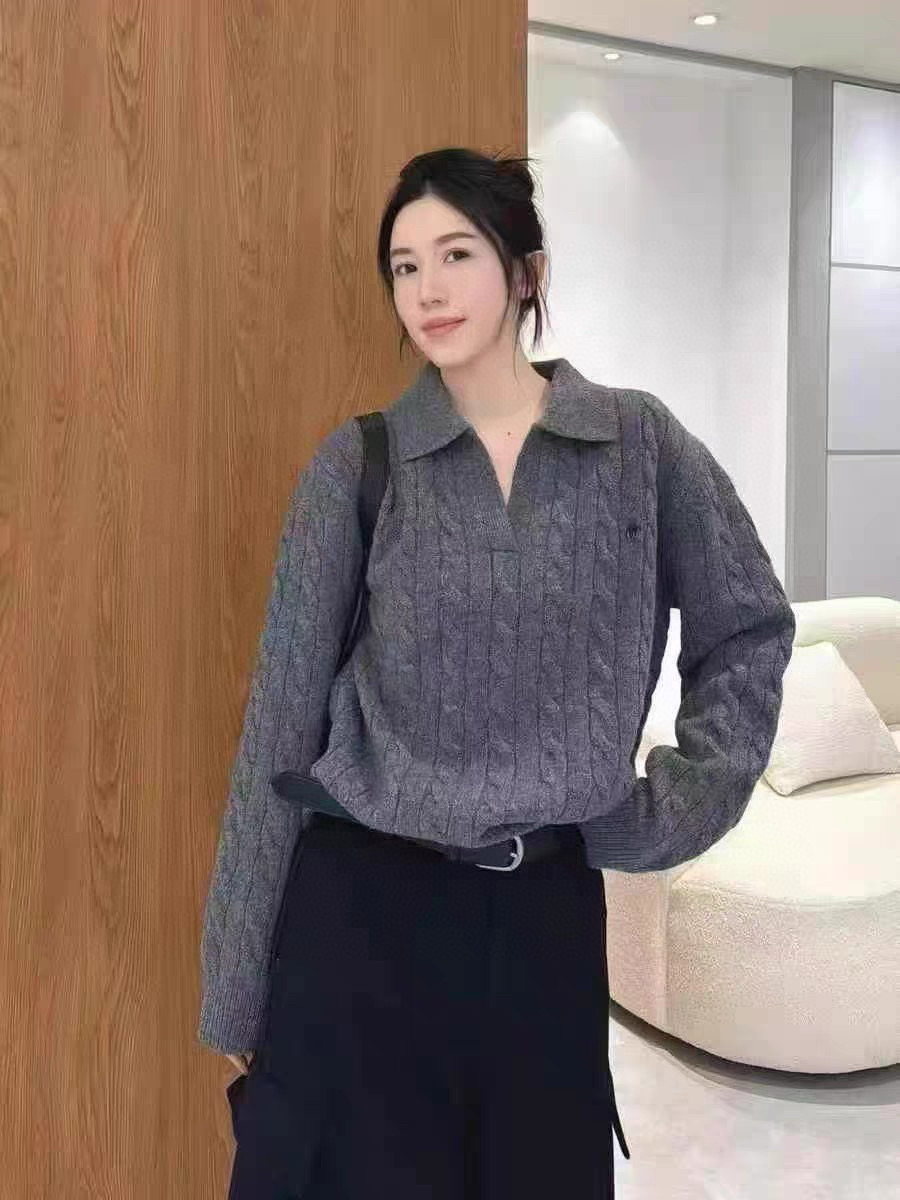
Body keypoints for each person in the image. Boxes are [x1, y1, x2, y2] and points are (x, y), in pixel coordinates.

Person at [198, 147, 796, 1198]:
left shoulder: (637, 446)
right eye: (404, 267)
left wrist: (670, 809)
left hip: (544, 921)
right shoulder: (360, 465)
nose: (427, 290)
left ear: (526, 272)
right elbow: (278, 733)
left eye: (456, 255)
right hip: (363, 917)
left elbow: (748, 626)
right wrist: (236, 991)